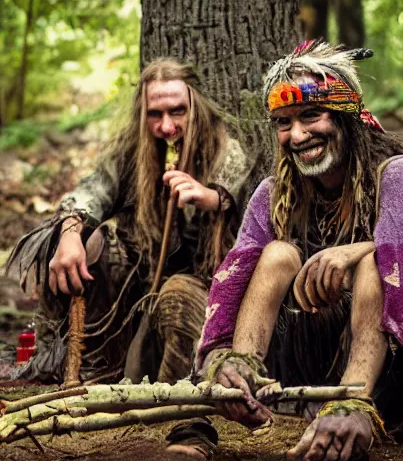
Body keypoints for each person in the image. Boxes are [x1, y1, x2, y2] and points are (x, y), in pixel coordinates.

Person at [180, 40, 403, 461]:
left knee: (377, 264)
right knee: (278, 253)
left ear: (346, 116)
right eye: (283, 122)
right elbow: (235, 279)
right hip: (316, 360)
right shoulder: (273, 194)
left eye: (310, 116)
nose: (297, 135)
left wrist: (358, 251)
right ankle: (246, 378)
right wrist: (219, 357)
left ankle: (353, 405)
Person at [5, 58, 253, 385]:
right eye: (155, 114)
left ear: (196, 107)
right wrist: (69, 233)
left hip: (201, 299)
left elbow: (236, 194)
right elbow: (93, 190)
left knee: (176, 298)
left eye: (177, 111)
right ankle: (96, 367)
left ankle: (175, 403)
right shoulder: (133, 152)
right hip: (140, 299)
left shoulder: (225, 150)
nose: (166, 127)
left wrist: (209, 197)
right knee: (97, 242)